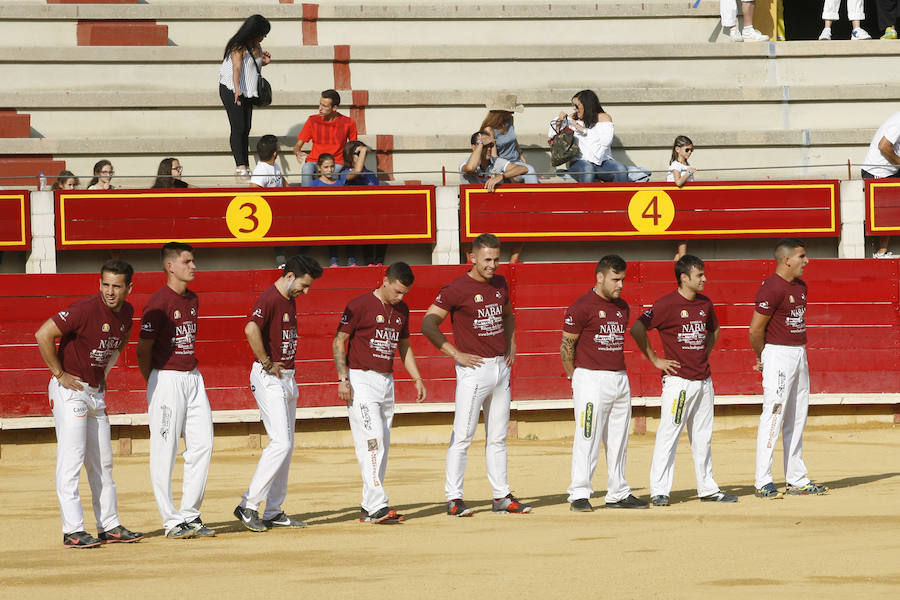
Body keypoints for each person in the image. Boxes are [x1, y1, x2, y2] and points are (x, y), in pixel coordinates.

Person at [34, 260, 144, 549]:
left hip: (94, 392)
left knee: (103, 463)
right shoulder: (84, 309)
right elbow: (43, 334)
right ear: (99, 284)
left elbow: (120, 341)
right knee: (72, 460)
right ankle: (72, 530)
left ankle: (109, 525)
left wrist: (103, 374)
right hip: (70, 391)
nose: (110, 291)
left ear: (129, 288)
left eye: (117, 286)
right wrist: (59, 374)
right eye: (105, 284)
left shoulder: (128, 312)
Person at [421, 233, 531, 516]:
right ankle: (454, 498)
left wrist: (512, 343)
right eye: (487, 260)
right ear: (472, 258)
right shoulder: (456, 288)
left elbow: (507, 315)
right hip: (474, 370)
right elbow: (428, 323)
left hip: (499, 369)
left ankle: (501, 496)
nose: (493, 265)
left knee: (497, 436)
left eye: (496, 259)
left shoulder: (500, 282)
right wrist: (455, 353)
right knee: (463, 435)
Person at [630, 255, 737, 506]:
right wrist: (656, 360)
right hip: (678, 383)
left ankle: (708, 488)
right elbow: (637, 328)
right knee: (669, 434)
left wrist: (702, 355)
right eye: (699, 275)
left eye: (704, 274)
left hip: (703, 381)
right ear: (684, 277)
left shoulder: (705, 304)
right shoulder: (666, 304)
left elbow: (714, 330)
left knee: (703, 437)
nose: (704, 279)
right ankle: (659, 490)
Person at [333, 262, 427, 524]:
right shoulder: (359, 304)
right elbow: (339, 340)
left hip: (386, 382)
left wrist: (417, 377)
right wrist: (343, 379)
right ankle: (377, 505)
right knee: (372, 441)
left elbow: (404, 346)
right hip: (361, 380)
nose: (401, 297)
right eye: (397, 291)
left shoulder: (402, 310)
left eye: (405, 293)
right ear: (385, 280)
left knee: (381, 445)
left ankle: (368, 506)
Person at [234, 256, 323, 532]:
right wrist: (266, 362)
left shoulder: (288, 299)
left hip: (287, 378)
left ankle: (273, 510)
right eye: (303, 285)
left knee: (287, 446)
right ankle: (248, 505)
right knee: (281, 443)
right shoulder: (270, 298)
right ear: (289, 276)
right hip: (269, 377)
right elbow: (250, 328)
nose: (305, 292)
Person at [137, 242, 215, 540]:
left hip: (193, 377)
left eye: (193, 261)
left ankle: (190, 515)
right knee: (164, 450)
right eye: (188, 261)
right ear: (171, 266)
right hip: (166, 378)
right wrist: (154, 382)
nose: (193, 266)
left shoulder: (192, 299)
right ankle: (171, 521)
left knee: (203, 445)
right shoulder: (158, 303)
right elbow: (143, 349)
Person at [561, 255, 648, 512]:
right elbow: (567, 347)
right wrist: (575, 378)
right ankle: (579, 492)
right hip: (590, 378)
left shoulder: (622, 307)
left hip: (619, 378)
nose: (620, 285)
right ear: (600, 277)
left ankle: (618, 491)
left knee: (619, 438)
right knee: (587, 434)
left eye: (622, 279)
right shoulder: (581, 306)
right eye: (615, 279)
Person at [749, 238, 828, 499]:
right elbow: (755, 330)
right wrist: (764, 357)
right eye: (802, 256)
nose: (806, 261)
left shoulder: (801, 286)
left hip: (799, 352)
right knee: (774, 414)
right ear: (787, 260)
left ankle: (796, 479)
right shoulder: (771, 288)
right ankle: (763, 480)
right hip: (778, 353)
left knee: (797, 416)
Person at [219, 14, 271, 180]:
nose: (263, 37)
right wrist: (236, 90)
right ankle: (240, 166)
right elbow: (237, 68)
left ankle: (246, 165)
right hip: (232, 89)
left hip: (248, 90)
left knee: (246, 127)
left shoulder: (256, 46)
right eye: (263, 34)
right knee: (238, 127)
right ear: (254, 32)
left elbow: (251, 66)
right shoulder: (238, 46)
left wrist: (264, 62)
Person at [549, 90, 628, 183]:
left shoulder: (604, 118)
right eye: (573, 105)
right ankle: (586, 197)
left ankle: (617, 197)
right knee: (587, 169)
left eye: (577, 106)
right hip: (579, 162)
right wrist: (559, 122)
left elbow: (606, 142)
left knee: (620, 169)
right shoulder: (571, 119)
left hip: (602, 162)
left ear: (587, 106)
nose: (574, 108)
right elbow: (553, 137)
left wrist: (583, 130)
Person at [294, 89, 358, 186]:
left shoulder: (348, 123)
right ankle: (306, 198)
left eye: (324, 106)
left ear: (335, 108)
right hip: (315, 161)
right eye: (320, 104)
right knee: (306, 168)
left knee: (335, 171)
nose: (320, 108)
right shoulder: (312, 120)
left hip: (336, 162)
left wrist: (352, 163)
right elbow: (297, 145)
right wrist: (298, 152)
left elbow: (354, 147)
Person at [861, 111, 900, 258]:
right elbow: (883, 146)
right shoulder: (899, 121)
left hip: (890, 169)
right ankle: (881, 252)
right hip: (878, 171)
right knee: (886, 210)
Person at [342, 141, 386, 265]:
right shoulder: (344, 172)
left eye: (364, 153)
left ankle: (379, 262)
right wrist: (364, 150)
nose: (363, 155)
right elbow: (357, 171)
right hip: (352, 215)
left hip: (371, 213)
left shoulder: (371, 174)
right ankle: (365, 261)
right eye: (358, 153)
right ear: (349, 155)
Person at [480, 94, 539, 184]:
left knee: (530, 171)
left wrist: (520, 154)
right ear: (501, 113)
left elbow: (513, 139)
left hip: (517, 160)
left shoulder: (510, 120)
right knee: (530, 171)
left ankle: (534, 196)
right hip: (504, 165)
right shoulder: (489, 129)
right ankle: (535, 196)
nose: (513, 113)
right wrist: (510, 173)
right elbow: (494, 156)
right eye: (510, 111)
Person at [459, 130, 529, 192]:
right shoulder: (465, 163)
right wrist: (480, 143)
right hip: (472, 204)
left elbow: (524, 169)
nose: (489, 149)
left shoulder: (497, 161)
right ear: (474, 147)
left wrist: (502, 176)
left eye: (491, 145)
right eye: (485, 146)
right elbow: (471, 168)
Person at [667, 136, 696, 261]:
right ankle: (682, 263)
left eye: (691, 150)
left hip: (686, 204)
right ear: (677, 149)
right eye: (687, 150)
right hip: (678, 205)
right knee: (682, 237)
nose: (689, 153)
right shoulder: (676, 165)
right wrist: (689, 173)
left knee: (684, 239)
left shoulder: (686, 165)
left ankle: (677, 264)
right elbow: (678, 182)